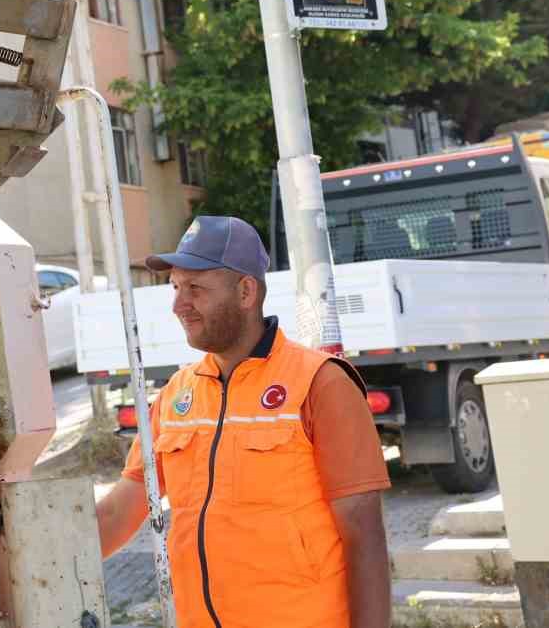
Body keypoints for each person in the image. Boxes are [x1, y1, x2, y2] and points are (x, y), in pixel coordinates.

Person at [96, 215, 391, 628]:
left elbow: (364, 535)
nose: (179, 305)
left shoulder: (320, 383)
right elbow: (117, 514)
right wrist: (26, 565)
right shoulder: (177, 394)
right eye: (176, 287)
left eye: (195, 289)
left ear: (246, 291)